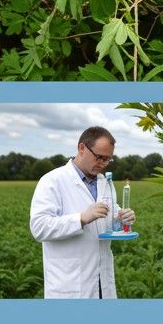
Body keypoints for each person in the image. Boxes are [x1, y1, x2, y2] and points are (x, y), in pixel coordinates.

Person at [29, 126, 136, 299]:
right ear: (81, 148)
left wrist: (122, 218)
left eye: (108, 159)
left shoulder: (104, 182)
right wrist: (80, 219)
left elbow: (110, 216)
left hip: (102, 283)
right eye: (99, 157)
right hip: (70, 286)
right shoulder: (52, 181)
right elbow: (39, 227)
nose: (103, 164)